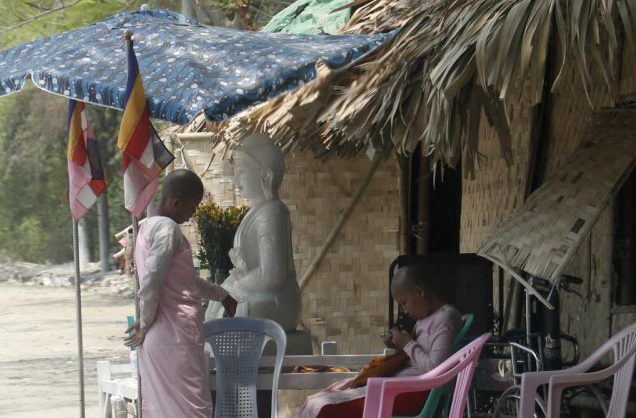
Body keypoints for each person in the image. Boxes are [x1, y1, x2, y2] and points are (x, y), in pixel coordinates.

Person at [124, 169, 239, 417]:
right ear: (176, 203)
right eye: (193, 206)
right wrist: (144, 323)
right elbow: (152, 280)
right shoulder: (167, 230)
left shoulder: (147, 228)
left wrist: (222, 294)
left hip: (159, 338)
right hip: (174, 336)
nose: (194, 213)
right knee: (192, 409)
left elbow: (182, 279)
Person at [295, 264, 462, 418]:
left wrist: (408, 344)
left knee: (323, 408)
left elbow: (438, 370)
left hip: (410, 394)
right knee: (317, 399)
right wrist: (399, 346)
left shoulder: (444, 318)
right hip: (398, 388)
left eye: (404, 303)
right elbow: (417, 357)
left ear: (419, 292)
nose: (405, 310)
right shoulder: (425, 318)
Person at [206, 132, 301, 331]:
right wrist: (228, 286)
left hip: (277, 300)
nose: (234, 179)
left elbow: (272, 275)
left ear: (265, 175)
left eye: (241, 171)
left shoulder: (272, 212)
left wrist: (236, 287)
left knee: (230, 312)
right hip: (257, 290)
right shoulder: (260, 211)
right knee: (216, 306)